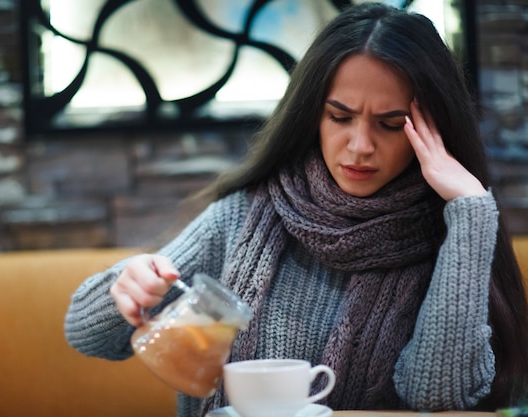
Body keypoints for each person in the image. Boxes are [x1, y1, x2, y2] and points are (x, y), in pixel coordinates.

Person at [64, 2, 528, 415]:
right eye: (340, 117)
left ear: (430, 132)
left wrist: (470, 210)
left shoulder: (449, 239)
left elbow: (439, 396)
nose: (360, 146)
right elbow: (88, 336)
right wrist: (125, 287)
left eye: (390, 125)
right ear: (312, 115)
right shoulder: (242, 217)